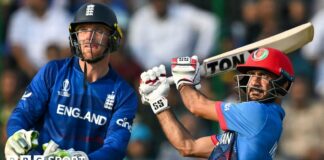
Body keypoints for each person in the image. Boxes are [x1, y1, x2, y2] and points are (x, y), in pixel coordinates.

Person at [4, 2, 138, 160]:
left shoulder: (124, 94)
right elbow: (22, 114)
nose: (89, 37)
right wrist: (16, 135)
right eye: (83, 30)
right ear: (75, 37)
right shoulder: (53, 71)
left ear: (113, 39)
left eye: (98, 31)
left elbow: (116, 148)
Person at [139, 47, 294, 159]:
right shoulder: (243, 133)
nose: (255, 81)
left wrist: (183, 79)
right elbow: (187, 146)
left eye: (264, 76)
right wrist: (158, 102)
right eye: (252, 74)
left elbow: (196, 106)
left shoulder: (259, 114)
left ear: (284, 84)